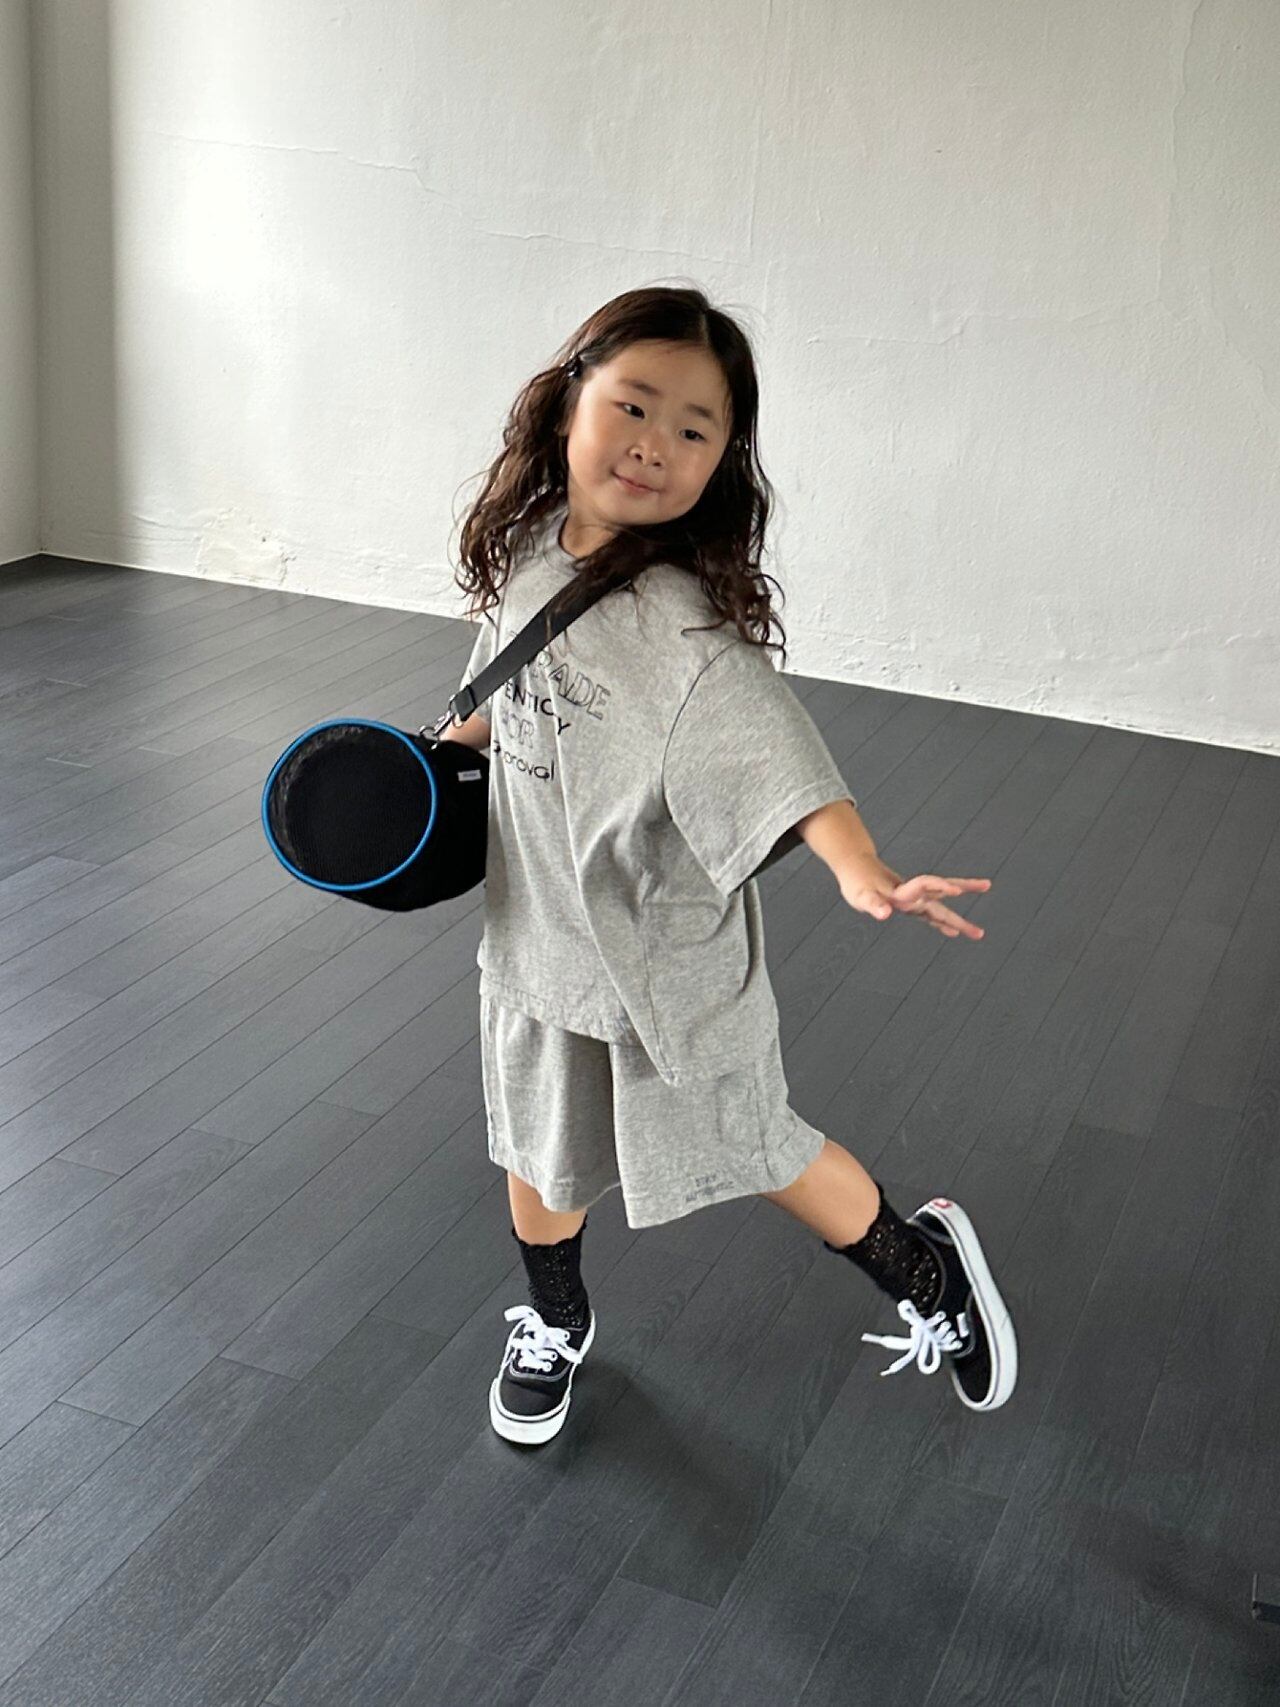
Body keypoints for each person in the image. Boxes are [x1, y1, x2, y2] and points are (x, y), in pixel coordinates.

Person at [439, 284, 1017, 1447]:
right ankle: (554, 1320)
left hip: (663, 965)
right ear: (568, 403)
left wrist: (859, 867)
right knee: (538, 1147)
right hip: (539, 938)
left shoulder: (685, 635)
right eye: (632, 405)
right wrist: (434, 763)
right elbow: (498, 688)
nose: (653, 443)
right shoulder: (528, 551)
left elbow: (779, 759)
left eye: (693, 429)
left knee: (755, 1142)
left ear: (720, 463)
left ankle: (926, 1268)